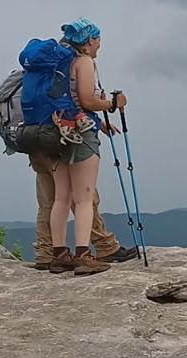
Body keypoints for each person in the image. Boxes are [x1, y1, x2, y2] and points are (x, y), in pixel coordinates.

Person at [39, 19, 132, 276]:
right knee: (84, 197)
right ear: (89, 41)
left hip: (54, 132)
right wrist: (114, 103)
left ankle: (59, 255)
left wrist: (100, 122)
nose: (100, 45)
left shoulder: (59, 62)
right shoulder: (84, 62)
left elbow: (70, 100)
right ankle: (83, 255)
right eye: (98, 40)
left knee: (61, 197)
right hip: (79, 135)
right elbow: (87, 99)